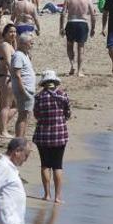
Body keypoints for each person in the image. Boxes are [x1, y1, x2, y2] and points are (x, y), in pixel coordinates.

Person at [32, 70, 70, 203]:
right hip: (59, 135)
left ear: (44, 83)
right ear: (55, 82)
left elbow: (36, 115)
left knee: (45, 165)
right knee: (57, 166)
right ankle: (58, 197)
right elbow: (68, 114)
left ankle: (47, 194)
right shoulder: (63, 95)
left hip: (42, 135)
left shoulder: (38, 97)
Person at [60, 0, 96, 77]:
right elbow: (93, 15)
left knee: (69, 46)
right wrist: (93, 28)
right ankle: (79, 71)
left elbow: (63, 13)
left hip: (71, 22)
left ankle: (72, 65)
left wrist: (61, 27)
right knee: (81, 48)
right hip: (82, 23)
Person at [10, 33, 36, 138]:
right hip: (24, 90)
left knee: (26, 116)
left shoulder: (24, 55)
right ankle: (19, 140)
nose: (32, 45)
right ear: (23, 43)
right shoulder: (18, 55)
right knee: (23, 116)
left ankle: (22, 139)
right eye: (31, 43)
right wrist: (23, 91)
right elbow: (17, 75)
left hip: (28, 90)